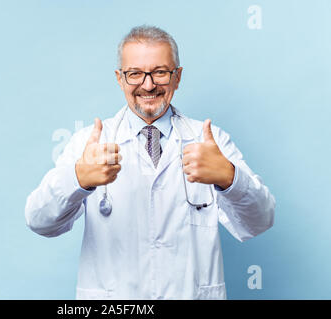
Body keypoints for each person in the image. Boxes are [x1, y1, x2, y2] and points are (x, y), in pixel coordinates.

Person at [25, 25, 275, 300]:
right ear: (120, 79)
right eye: (135, 74)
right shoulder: (90, 143)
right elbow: (39, 221)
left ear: (177, 77)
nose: (148, 84)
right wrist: (77, 180)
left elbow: (260, 221)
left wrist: (229, 178)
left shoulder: (210, 141)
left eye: (160, 72)